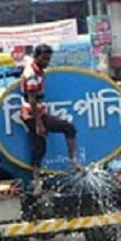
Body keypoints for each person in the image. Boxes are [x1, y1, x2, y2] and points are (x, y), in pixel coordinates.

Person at [21, 44, 79, 191]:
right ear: (37, 57)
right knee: (42, 145)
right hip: (32, 115)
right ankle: (38, 181)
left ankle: (72, 163)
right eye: (44, 59)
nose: (47, 62)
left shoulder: (37, 69)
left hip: (39, 113)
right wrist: (39, 124)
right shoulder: (31, 74)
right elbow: (32, 99)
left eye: (48, 59)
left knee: (42, 145)